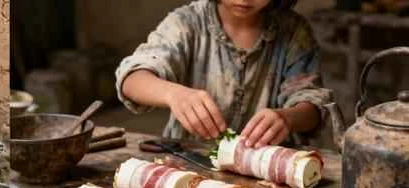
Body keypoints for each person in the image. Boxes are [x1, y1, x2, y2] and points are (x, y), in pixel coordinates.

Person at [116, 0, 333, 148]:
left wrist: (288, 118)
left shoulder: (294, 31)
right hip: (188, 157)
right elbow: (132, 78)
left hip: (266, 165)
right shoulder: (187, 22)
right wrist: (173, 94)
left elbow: (313, 107)